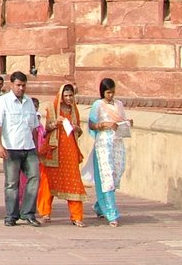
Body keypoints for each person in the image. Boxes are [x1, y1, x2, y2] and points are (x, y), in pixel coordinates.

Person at [0, 70, 41, 226]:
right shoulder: (3, 101)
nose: (21, 88)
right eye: (18, 85)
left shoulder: (29, 102)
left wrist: (35, 145)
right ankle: (11, 215)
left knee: (34, 178)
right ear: (11, 85)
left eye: (23, 85)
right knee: (12, 183)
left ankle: (28, 212)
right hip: (11, 147)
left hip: (29, 146)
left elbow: (33, 127)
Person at [83, 77, 132, 227]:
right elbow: (91, 124)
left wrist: (127, 123)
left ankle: (100, 205)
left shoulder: (118, 104)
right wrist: (104, 124)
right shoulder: (98, 105)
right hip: (104, 143)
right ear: (103, 92)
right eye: (108, 93)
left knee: (116, 174)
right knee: (107, 176)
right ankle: (112, 213)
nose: (110, 95)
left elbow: (121, 120)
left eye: (112, 92)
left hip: (116, 143)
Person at [37, 83, 88, 227]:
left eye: (71, 95)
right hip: (54, 149)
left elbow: (79, 130)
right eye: (66, 96)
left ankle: (77, 216)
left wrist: (76, 127)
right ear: (61, 95)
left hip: (70, 149)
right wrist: (55, 123)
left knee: (74, 181)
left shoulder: (74, 110)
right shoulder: (53, 108)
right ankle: (45, 212)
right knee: (48, 182)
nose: (69, 98)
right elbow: (46, 128)